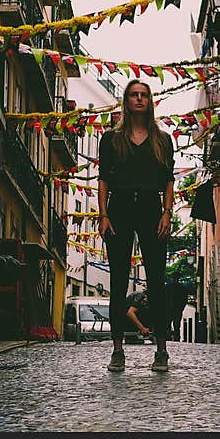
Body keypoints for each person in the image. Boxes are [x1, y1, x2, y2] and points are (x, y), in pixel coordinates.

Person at [98, 80, 175, 372]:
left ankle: (162, 349)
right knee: (118, 279)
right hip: (119, 210)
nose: (139, 99)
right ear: (126, 101)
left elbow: (169, 179)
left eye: (144, 95)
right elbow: (103, 178)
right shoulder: (111, 139)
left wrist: (167, 213)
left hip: (151, 210)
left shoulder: (162, 139)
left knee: (156, 280)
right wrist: (103, 214)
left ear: (149, 101)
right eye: (134, 95)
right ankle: (117, 350)